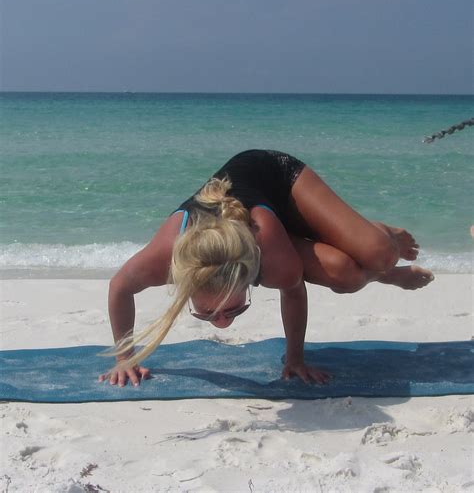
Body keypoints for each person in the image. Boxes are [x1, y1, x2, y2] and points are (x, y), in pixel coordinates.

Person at [98, 149, 434, 388]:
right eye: (207, 313)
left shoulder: (273, 260)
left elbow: (292, 290)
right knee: (345, 275)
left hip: (279, 181)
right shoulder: (166, 257)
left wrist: (295, 358)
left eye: (231, 309)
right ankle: (380, 267)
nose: (223, 322)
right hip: (262, 225)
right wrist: (125, 358)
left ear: (251, 275)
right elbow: (119, 287)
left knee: (378, 253)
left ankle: (376, 236)